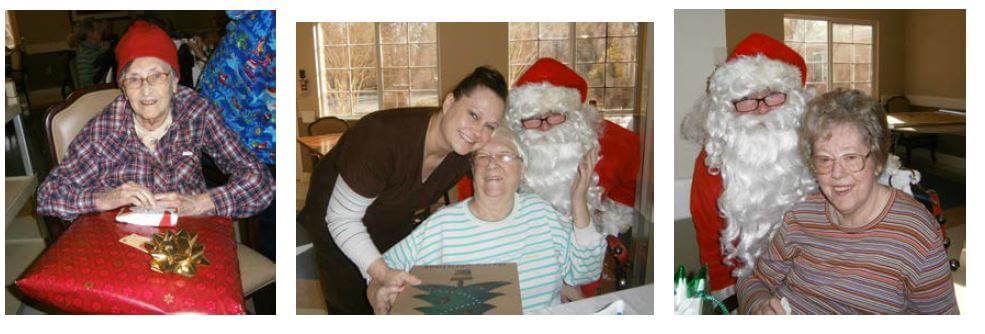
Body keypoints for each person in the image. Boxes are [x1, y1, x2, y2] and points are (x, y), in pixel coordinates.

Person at [298, 66, 509, 314]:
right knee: (352, 301)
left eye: (490, 126)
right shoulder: (380, 140)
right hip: (336, 220)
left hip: (391, 216)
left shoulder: (461, 153)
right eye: (473, 115)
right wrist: (379, 272)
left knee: (396, 298)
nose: (478, 133)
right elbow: (342, 219)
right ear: (450, 102)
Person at [738, 89, 958, 314]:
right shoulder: (800, 214)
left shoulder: (917, 235)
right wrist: (758, 305)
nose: (837, 174)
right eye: (824, 160)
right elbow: (754, 280)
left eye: (851, 158)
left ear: (878, 161)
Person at [36, 20, 273, 221]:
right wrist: (104, 199)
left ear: (174, 82)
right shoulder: (104, 129)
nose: (146, 91)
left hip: (190, 235)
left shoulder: (196, 111)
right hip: (123, 244)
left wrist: (200, 203)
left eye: (157, 76)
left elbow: (260, 181)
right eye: (134, 80)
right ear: (123, 88)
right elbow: (48, 195)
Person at [368, 127, 605, 314]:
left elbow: (586, 271)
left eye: (505, 155)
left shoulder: (541, 215)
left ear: (522, 167)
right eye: (483, 156)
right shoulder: (442, 227)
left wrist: (578, 202)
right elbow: (378, 273)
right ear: (472, 169)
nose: (493, 163)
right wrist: (378, 293)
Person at [680, 33, 816, 310]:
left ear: (794, 99)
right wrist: (728, 298)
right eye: (747, 100)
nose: (762, 109)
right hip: (748, 287)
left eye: (773, 95)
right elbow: (709, 235)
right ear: (727, 109)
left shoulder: (819, 148)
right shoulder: (712, 163)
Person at [197, 10, 276, 259]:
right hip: (238, 138)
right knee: (270, 223)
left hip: (221, 127)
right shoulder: (266, 21)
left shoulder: (253, 20)